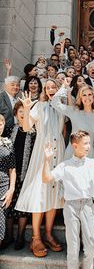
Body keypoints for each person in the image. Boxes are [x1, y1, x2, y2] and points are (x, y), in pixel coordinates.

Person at [42, 130, 94, 269]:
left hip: (87, 205)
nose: (88, 146)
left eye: (89, 143)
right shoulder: (65, 165)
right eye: (85, 143)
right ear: (75, 145)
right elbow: (46, 179)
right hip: (70, 207)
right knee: (73, 244)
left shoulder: (92, 163)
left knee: (91, 243)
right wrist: (47, 160)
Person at [15, 79, 65, 258]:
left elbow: (63, 131)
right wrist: (27, 107)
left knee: (54, 192)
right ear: (45, 90)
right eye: (49, 87)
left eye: (54, 87)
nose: (51, 89)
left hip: (58, 151)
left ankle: (49, 234)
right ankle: (35, 237)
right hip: (42, 151)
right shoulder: (39, 105)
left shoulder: (61, 107)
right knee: (39, 191)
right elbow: (26, 127)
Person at [7, 101, 36, 250]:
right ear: (15, 114)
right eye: (20, 113)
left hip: (26, 172)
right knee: (10, 205)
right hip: (11, 171)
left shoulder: (32, 131)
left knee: (23, 206)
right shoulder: (10, 129)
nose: (23, 115)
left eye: (26, 113)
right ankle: (9, 235)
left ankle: (20, 237)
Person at [51, 80, 94, 159]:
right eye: (84, 95)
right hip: (72, 154)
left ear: (93, 96)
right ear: (81, 98)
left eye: (89, 94)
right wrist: (63, 87)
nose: (87, 97)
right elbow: (54, 103)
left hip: (90, 155)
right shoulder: (74, 111)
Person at [0, 115, 16, 247]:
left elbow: (12, 169)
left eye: (1, 124)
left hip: (3, 187)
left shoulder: (8, 143)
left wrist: (11, 189)